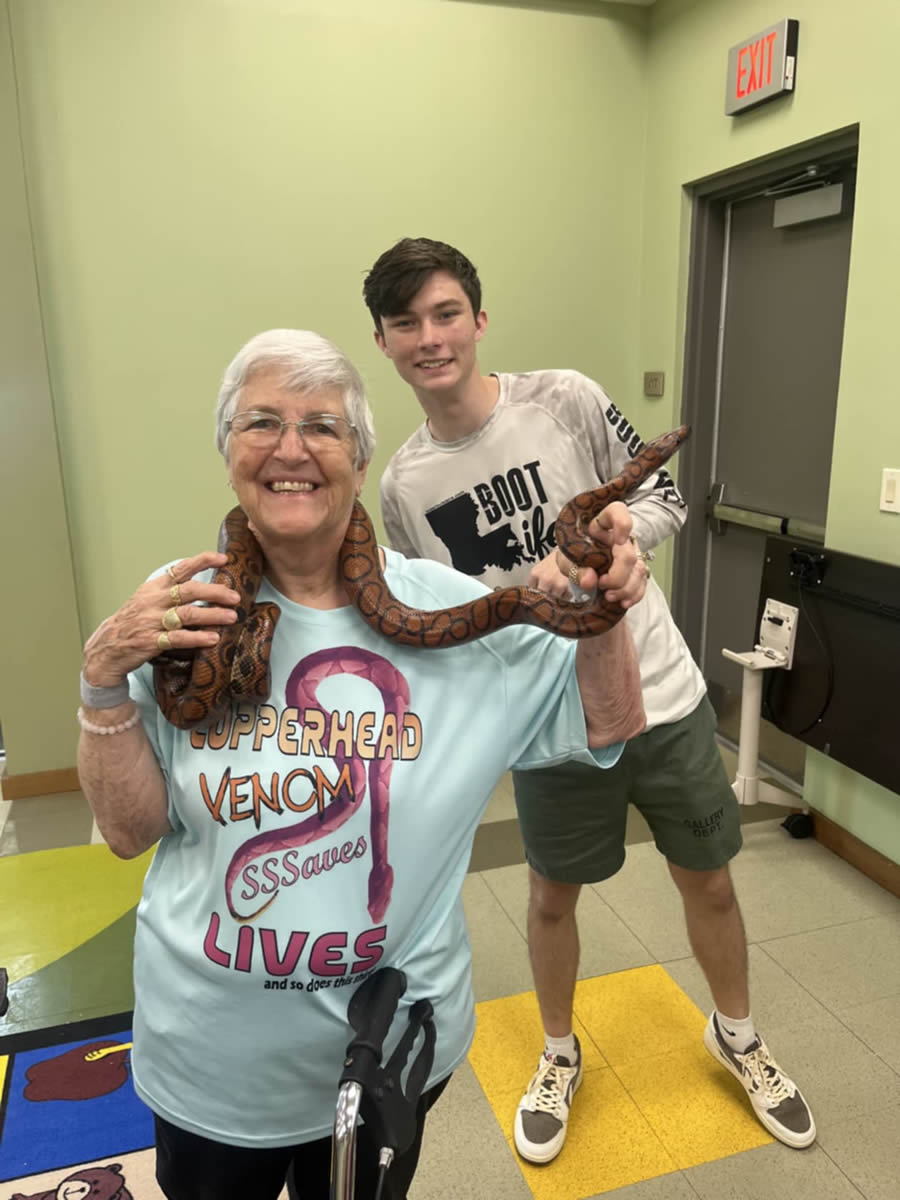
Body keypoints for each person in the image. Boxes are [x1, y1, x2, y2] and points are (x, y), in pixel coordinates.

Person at [77, 328, 649, 1200]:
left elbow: (609, 722)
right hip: (210, 1062)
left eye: (323, 427)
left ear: (361, 458)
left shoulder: (451, 610)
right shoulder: (186, 608)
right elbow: (129, 833)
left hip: (386, 1049)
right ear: (229, 453)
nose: (291, 449)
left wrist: (602, 604)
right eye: (261, 423)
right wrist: (101, 679)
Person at [362, 237, 816, 1160]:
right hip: (546, 726)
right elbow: (431, 615)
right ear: (383, 341)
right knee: (550, 899)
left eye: (446, 314)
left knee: (710, 879)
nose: (431, 338)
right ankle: (560, 1053)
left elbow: (666, 498)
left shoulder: (563, 398)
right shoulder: (403, 485)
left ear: (479, 320)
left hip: (663, 697)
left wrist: (627, 539)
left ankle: (736, 1035)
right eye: (407, 323)